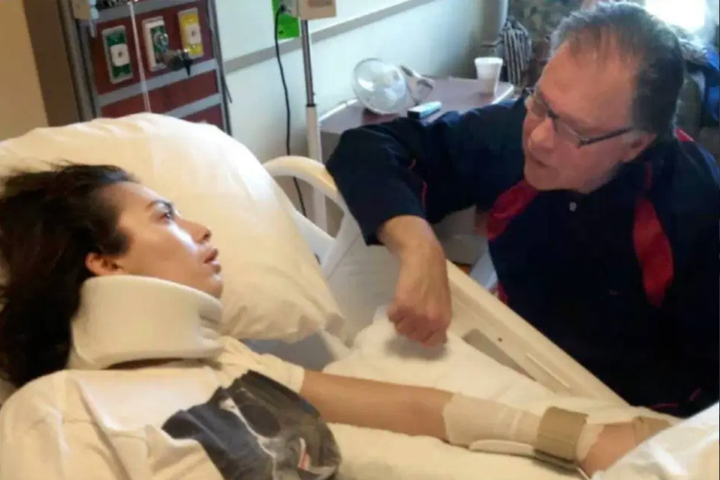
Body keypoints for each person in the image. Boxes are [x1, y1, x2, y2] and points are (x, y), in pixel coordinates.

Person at [0, 164, 675, 479]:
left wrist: (577, 436)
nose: (201, 228)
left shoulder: (231, 363)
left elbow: (411, 408)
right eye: (165, 217)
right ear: (104, 265)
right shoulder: (57, 414)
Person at [326, 2, 719, 418]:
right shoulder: (517, 130)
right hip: (511, 352)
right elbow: (367, 149)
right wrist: (420, 248)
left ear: (636, 144)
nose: (539, 139)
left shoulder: (692, 210)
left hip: (625, 407)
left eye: (574, 130)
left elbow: (704, 391)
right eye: (541, 103)